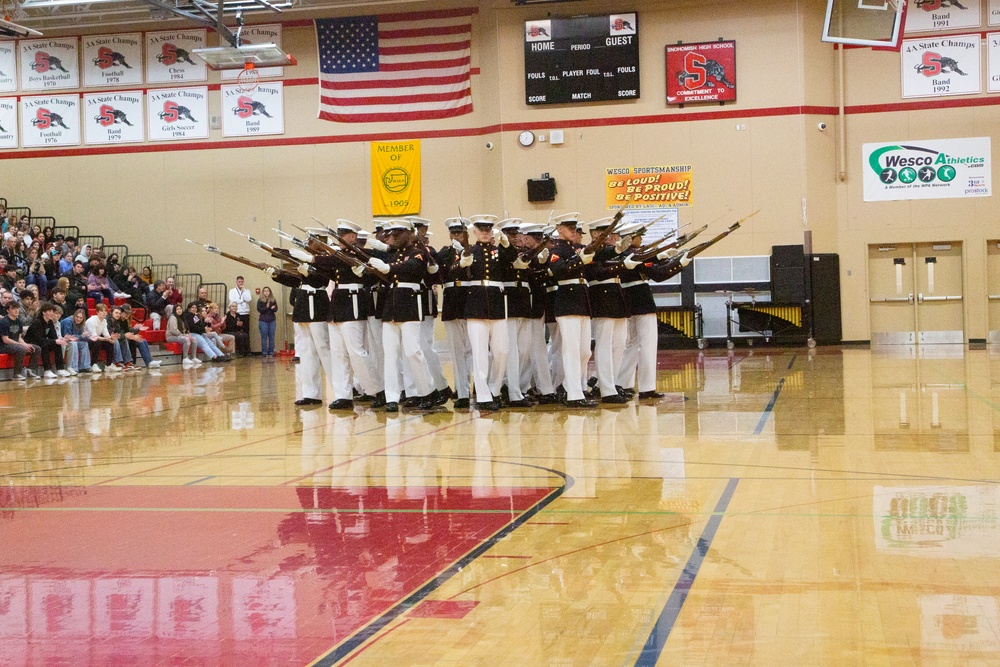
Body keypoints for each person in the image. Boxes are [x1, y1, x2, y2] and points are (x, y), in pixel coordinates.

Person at [547, 213, 598, 408]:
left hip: (583, 301)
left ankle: (568, 385)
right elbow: (559, 270)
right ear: (560, 229)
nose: (573, 232)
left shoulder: (579, 249)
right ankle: (575, 394)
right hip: (567, 301)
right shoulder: (556, 249)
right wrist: (580, 260)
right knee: (571, 350)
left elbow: (594, 266)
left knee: (585, 351)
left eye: (575, 229)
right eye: (570, 228)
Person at [24, 301, 71, 378]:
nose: (52, 313)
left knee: (57, 344)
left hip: (41, 341)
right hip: (31, 342)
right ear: (43, 312)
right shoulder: (37, 322)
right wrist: (55, 341)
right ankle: (47, 370)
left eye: (53, 311)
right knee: (44, 345)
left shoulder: (50, 322)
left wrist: (62, 339)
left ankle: (60, 369)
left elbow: (54, 337)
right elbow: (38, 339)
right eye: (49, 311)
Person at [0, 300, 41, 380]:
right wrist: (22, 345)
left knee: (36, 348)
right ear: (8, 310)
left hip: (15, 344)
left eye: (17, 308)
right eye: (13, 308)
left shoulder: (18, 321)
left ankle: (30, 370)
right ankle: (17, 374)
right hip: (3, 346)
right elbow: (5, 339)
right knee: (21, 349)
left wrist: (25, 344)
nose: (16, 310)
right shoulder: (4, 322)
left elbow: (19, 338)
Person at [83, 303, 118, 373]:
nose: (104, 313)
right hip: (86, 340)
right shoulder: (91, 320)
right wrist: (106, 339)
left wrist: (110, 338)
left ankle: (109, 365)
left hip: (96, 339)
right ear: (97, 312)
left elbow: (106, 333)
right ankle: (93, 364)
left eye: (105, 311)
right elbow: (94, 336)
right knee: (97, 341)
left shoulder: (104, 321)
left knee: (110, 343)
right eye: (102, 311)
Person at [166, 303, 199, 367]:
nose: (179, 310)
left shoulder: (182, 317)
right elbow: (174, 330)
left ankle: (193, 357)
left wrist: (188, 334)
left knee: (194, 339)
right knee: (186, 339)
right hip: (171, 336)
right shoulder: (173, 317)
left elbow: (186, 328)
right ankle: (185, 358)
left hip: (180, 335)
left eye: (180, 309)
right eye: (177, 309)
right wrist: (184, 335)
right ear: (174, 310)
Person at [60, 307, 91, 374]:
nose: (78, 319)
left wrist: (86, 336)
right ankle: (73, 367)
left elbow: (82, 337)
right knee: (73, 343)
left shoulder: (81, 324)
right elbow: (69, 336)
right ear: (74, 316)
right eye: (77, 317)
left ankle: (84, 366)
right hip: (63, 340)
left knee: (84, 344)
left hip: (73, 340)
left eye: (81, 318)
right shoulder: (68, 321)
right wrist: (81, 336)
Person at [257, 286, 278, 357]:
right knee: (264, 337)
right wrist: (267, 307)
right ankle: (264, 352)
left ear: (270, 292)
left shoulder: (273, 300)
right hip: (263, 320)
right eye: (265, 291)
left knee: (272, 336)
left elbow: (276, 309)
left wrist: (273, 308)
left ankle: (271, 352)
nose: (266, 292)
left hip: (272, 320)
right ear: (263, 292)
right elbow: (259, 310)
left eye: (268, 291)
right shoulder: (260, 300)